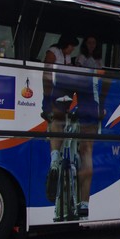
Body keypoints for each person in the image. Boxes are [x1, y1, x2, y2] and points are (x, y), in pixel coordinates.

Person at [73, 34, 109, 217]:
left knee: (84, 153)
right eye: (89, 42)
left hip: (85, 109)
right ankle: (84, 203)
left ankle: (81, 201)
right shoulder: (87, 60)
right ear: (85, 43)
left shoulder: (88, 61)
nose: (92, 45)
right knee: (86, 153)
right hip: (93, 109)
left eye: (94, 42)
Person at [42, 36, 79, 208]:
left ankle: (56, 160)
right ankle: (55, 160)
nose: (72, 50)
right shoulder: (53, 52)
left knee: (62, 119)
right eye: (72, 46)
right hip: (56, 90)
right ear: (66, 44)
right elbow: (47, 73)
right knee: (57, 119)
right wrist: (47, 97)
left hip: (65, 91)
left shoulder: (66, 56)